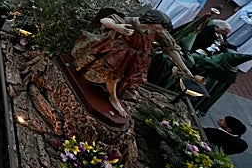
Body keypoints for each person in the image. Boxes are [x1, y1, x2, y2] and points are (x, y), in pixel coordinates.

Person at [72, 9, 200, 118]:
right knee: (114, 75)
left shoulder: (156, 30)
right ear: (152, 21)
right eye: (158, 27)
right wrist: (118, 28)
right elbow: (105, 21)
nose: (160, 31)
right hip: (120, 53)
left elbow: (170, 48)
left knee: (128, 79)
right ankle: (113, 97)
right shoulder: (131, 22)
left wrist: (184, 69)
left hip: (137, 58)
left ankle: (117, 94)